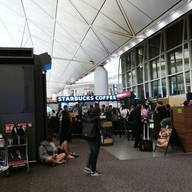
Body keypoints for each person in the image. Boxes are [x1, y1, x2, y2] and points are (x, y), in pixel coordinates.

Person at [84, 107, 102, 176]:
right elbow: (98, 127)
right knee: (95, 154)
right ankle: (93, 171)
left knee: (92, 153)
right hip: (95, 137)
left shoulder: (88, 117)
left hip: (89, 137)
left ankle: (88, 167)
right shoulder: (97, 118)